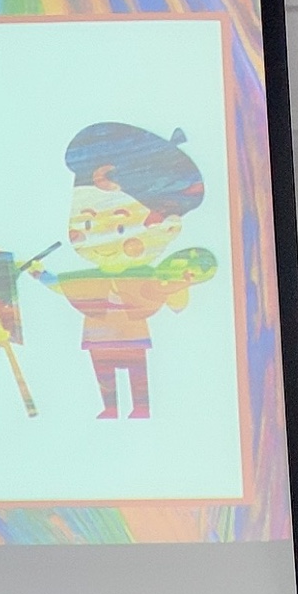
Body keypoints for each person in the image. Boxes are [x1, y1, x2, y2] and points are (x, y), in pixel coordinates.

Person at [27, 121, 217, 419]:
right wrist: (40, 274)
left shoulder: (150, 276)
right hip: (98, 334)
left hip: (132, 334)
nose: (97, 238)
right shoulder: (90, 279)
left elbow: (173, 299)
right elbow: (67, 285)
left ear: (168, 229)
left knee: (136, 369)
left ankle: (141, 407)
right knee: (102, 369)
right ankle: (110, 406)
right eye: (85, 223)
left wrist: (180, 286)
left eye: (118, 227)